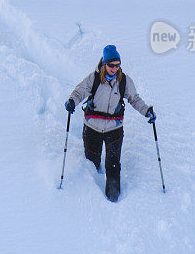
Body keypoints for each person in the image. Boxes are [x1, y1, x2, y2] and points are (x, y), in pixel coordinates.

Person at [64, 45, 155, 202]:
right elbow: (80, 91)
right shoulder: (94, 78)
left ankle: (113, 196)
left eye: (117, 65)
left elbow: (135, 99)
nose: (114, 68)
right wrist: (72, 101)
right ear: (104, 64)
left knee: (113, 163)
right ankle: (91, 191)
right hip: (92, 127)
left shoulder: (124, 81)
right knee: (92, 161)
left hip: (114, 128)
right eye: (111, 65)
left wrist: (147, 111)